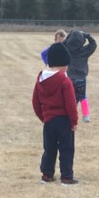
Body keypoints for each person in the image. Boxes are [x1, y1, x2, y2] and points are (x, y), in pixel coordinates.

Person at [32, 42, 79, 185]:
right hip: (64, 121)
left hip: (48, 121)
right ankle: (66, 177)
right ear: (64, 63)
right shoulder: (65, 81)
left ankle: (47, 175)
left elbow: (35, 102)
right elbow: (71, 104)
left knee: (49, 148)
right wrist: (74, 121)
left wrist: (44, 117)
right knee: (66, 149)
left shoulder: (40, 79)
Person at [63, 30, 98, 123]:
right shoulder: (84, 51)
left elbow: (62, 45)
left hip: (69, 78)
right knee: (83, 97)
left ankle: (70, 114)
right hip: (81, 78)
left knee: (71, 97)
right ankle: (86, 116)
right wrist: (87, 35)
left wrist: (69, 36)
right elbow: (93, 44)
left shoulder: (66, 50)